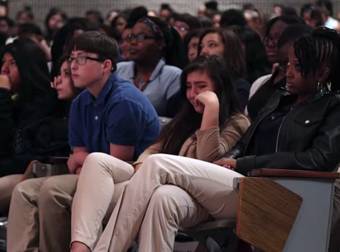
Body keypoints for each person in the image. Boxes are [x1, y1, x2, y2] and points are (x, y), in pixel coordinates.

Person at [89, 27, 340, 252]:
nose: (287, 72)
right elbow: (244, 144)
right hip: (246, 183)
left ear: (321, 72)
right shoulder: (280, 100)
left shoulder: (333, 107)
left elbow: (318, 159)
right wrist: (232, 159)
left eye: (296, 66)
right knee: (163, 198)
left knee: (158, 164)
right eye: (288, 64)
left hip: (279, 192)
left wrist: (243, 163)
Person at [70, 55, 250, 252]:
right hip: (166, 184)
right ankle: (81, 246)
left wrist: (211, 108)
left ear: (219, 89)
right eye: (189, 87)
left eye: (200, 86)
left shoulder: (237, 121)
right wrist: (141, 166)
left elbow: (208, 158)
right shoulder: (185, 119)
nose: (193, 94)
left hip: (212, 194)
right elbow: (153, 149)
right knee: (98, 160)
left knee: (158, 173)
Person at [7, 31, 160, 252]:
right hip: (91, 174)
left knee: (53, 190)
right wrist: (82, 159)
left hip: (131, 179)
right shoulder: (81, 102)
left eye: (82, 58)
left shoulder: (124, 101)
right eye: (71, 58)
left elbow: (117, 165)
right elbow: (75, 159)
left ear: (106, 65)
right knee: (24, 191)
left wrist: (82, 159)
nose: (73, 66)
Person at [0, 55, 80, 216]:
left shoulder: (72, 112)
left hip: (44, 169)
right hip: (30, 167)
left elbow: (30, 152)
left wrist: (3, 95)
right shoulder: (55, 104)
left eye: (66, 74)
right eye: (58, 74)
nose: (4, 69)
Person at [0, 38, 57, 177]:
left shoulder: (44, 101)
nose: (4, 70)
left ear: (28, 66)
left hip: (26, 169)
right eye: (3, 62)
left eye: (12, 63)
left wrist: (3, 96)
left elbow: (11, 145)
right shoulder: (15, 97)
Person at [116, 16, 182, 116]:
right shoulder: (119, 69)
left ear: (160, 43)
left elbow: (176, 122)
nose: (133, 42)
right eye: (132, 37)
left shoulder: (173, 76)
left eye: (141, 37)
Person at [198, 28, 249, 110]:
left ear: (229, 50)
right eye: (201, 46)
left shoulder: (240, 87)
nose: (203, 51)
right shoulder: (194, 82)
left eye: (211, 45)